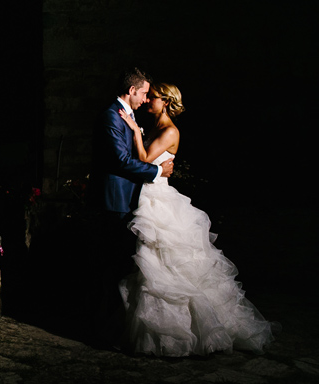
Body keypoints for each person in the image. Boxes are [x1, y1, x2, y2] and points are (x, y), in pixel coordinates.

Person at [117, 83, 277, 356]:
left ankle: (182, 333)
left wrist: (133, 131)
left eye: (152, 98)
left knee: (164, 262)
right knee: (152, 265)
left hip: (158, 200)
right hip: (149, 192)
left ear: (165, 101)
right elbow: (146, 162)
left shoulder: (169, 131)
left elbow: (142, 157)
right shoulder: (157, 127)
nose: (147, 102)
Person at [90, 68, 173, 343]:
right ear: (132, 90)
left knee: (122, 267)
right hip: (115, 201)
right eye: (145, 93)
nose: (147, 99)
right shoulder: (111, 116)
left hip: (129, 201)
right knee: (110, 268)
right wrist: (158, 172)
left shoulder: (127, 114)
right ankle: (103, 331)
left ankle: (117, 327)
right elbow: (120, 161)